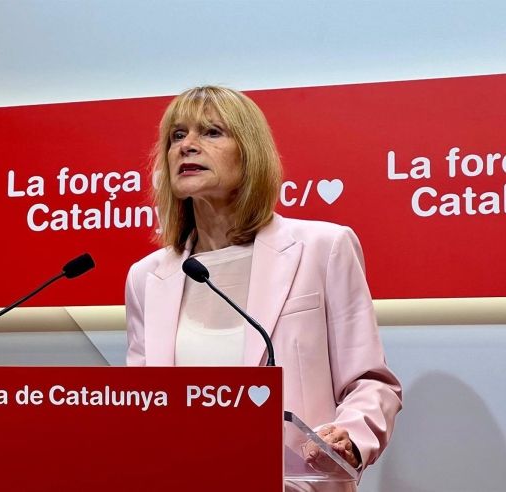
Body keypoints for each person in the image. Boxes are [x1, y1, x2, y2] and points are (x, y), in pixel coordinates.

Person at [124, 86, 402, 482]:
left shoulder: (323, 248)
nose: (187, 146)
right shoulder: (148, 277)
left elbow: (371, 382)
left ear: (249, 153)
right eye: (177, 135)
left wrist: (350, 435)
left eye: (211, 132)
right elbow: (140, 404)